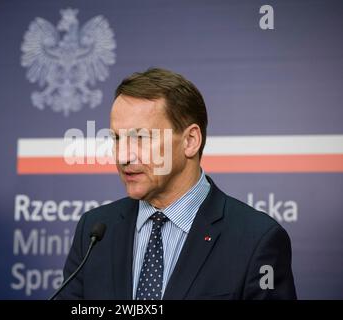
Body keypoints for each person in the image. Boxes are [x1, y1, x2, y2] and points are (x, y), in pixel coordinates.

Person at [59, 68, 297, 300]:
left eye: (140, 138)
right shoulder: (94, 232)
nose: (123, 156)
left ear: (190, 141)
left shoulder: (256, 240)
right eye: (117, 138)